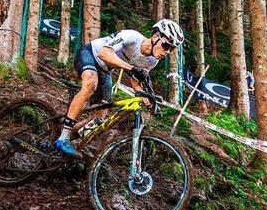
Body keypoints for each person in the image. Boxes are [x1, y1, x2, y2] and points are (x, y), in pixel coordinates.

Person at [54, 19, 185, 156]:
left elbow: (135, 82)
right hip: (90, 54)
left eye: (171, 49)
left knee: (98, 119)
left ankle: (64, 141)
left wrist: (147, 99)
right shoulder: (132, 36)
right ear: (155, 36)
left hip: (105, 70)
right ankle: (63, 137)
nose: (167, 51)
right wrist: (132, 68)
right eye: (166, 46)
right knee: (91, 84)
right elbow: (103, 53)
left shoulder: (152, 61)